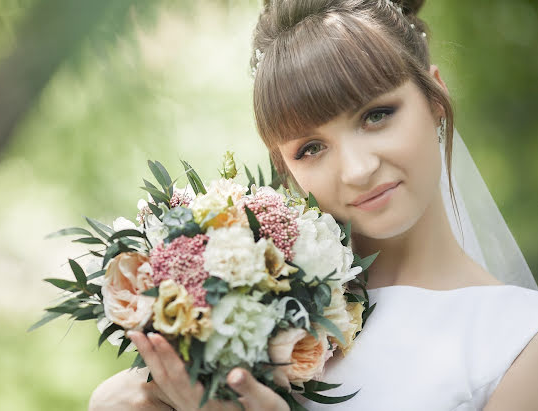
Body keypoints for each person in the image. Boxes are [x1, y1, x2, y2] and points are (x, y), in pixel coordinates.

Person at [88, 0, 538, 409]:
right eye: (311, 148)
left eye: (376, 115)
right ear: (283, 167)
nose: (358, 169)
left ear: (436, 98)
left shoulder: (518, 341)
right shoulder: (249, 308)